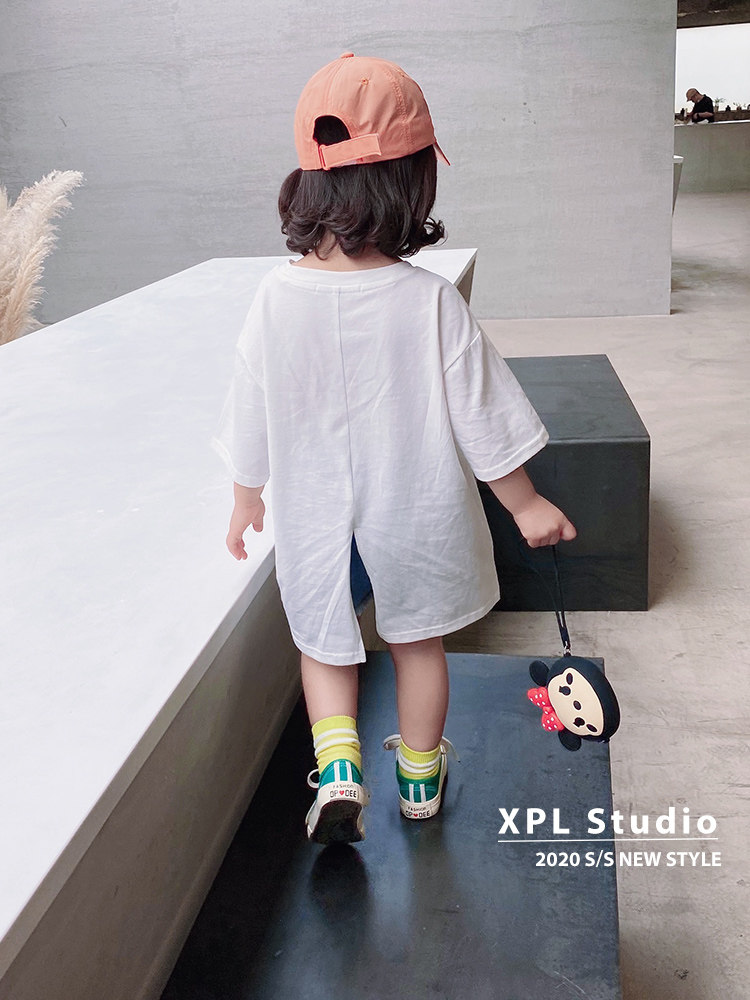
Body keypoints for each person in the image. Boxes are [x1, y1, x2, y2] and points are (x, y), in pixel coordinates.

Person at [213, 53, 576, 846]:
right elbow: (482, 412)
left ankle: (339, 769)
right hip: (414, 510)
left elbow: (250, 401)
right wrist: (525, 504)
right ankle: (419, 780)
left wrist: (246, 496)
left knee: (323, 644)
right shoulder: (428, 301)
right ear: (413, 184)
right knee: (417, 643)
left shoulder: (275, 298)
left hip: (317, 514)